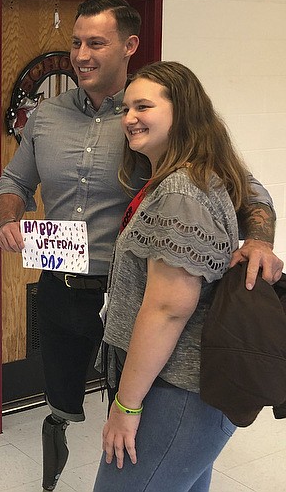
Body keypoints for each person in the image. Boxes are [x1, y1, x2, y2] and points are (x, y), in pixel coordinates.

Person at [0, 0, 283, 491]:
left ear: (129, 47)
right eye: (76, 43)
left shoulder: (173, 160)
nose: (81, 54)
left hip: (141, 299)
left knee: (140, 429)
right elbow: (10, 184)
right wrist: (9, 217)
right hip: (66, 286)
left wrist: (257, 240)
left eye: (95, 43)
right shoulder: (48, 117)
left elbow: (246, 195)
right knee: (66, 402)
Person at [93, 60, 255, 491]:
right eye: (125, 109)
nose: (129, 119)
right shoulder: (188, 177)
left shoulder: (181, 191)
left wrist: (125, 407)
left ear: (181, 112)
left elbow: (167, 309)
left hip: (176, 389)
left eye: (142, 106)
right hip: (188, 387)